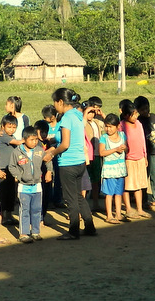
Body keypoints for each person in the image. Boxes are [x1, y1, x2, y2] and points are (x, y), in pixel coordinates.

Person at [47, 88, 96, 240]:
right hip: (80, 161)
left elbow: (66, 144)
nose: (54, 106)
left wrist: (51, 153)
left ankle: (73, 230)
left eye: (55, 102)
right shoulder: (77, 114)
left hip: (68, 163)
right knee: (78, 196)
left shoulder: (67, 118)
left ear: (60, 102)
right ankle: (89, 226)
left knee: (70, 198)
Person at [9, 126, 51, 242]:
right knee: (25, 210)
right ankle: (24, 234)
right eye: (32, 140)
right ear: (24, 139)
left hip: (37, 186)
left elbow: (48, 160)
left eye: (36, 139)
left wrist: (49, 172)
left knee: (37, 209)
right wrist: (19, 176)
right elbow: (12, 166)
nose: (34, 142)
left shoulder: (39, 150)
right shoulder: (17, 152)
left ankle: (36, 232)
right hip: (24, 187)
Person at [120, 104, 150, 219]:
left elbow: (143, 140)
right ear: (126, 115)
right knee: (127, 186)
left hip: (140, 158)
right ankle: (128, 209)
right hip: (128, 160)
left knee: (139, 185)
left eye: (136, 114)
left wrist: (145, 156)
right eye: (133, 115)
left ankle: (140, 209)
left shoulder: (139, 124)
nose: (135, 117)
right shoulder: (121, 126)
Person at [98, 113, 128, 224]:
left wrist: (125, 148)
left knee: (119, 193)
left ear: (117, 126)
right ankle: (109, 215)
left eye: (110, 126)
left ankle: (118, 214)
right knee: (109, 194)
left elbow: (127, 149)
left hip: (120, 169)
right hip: (109, 170)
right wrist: (115, 149)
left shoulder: (123, 135)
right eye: (106, 126)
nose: (108, 129)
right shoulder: (104, 138)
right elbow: (101, 152)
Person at [0, 115, 22, 228]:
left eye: (14, 127)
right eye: (9, 127)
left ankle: (9, 215)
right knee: (2, 193)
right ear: (3, 127)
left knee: (10, 194)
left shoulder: (10, 136)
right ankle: (1, 216)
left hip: (10, 169)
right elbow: (17, 142)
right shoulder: (3, 137)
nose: (11, 129)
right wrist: (28, 139)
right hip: (2, 170)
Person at [137, 95, 155, 206]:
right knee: (144, 176)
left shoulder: (153, 116)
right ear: (137, 110)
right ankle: (142, 199)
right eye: (142, 109)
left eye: (147, 108)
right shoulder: (138, 121)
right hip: (145, 152)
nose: (145, 111)